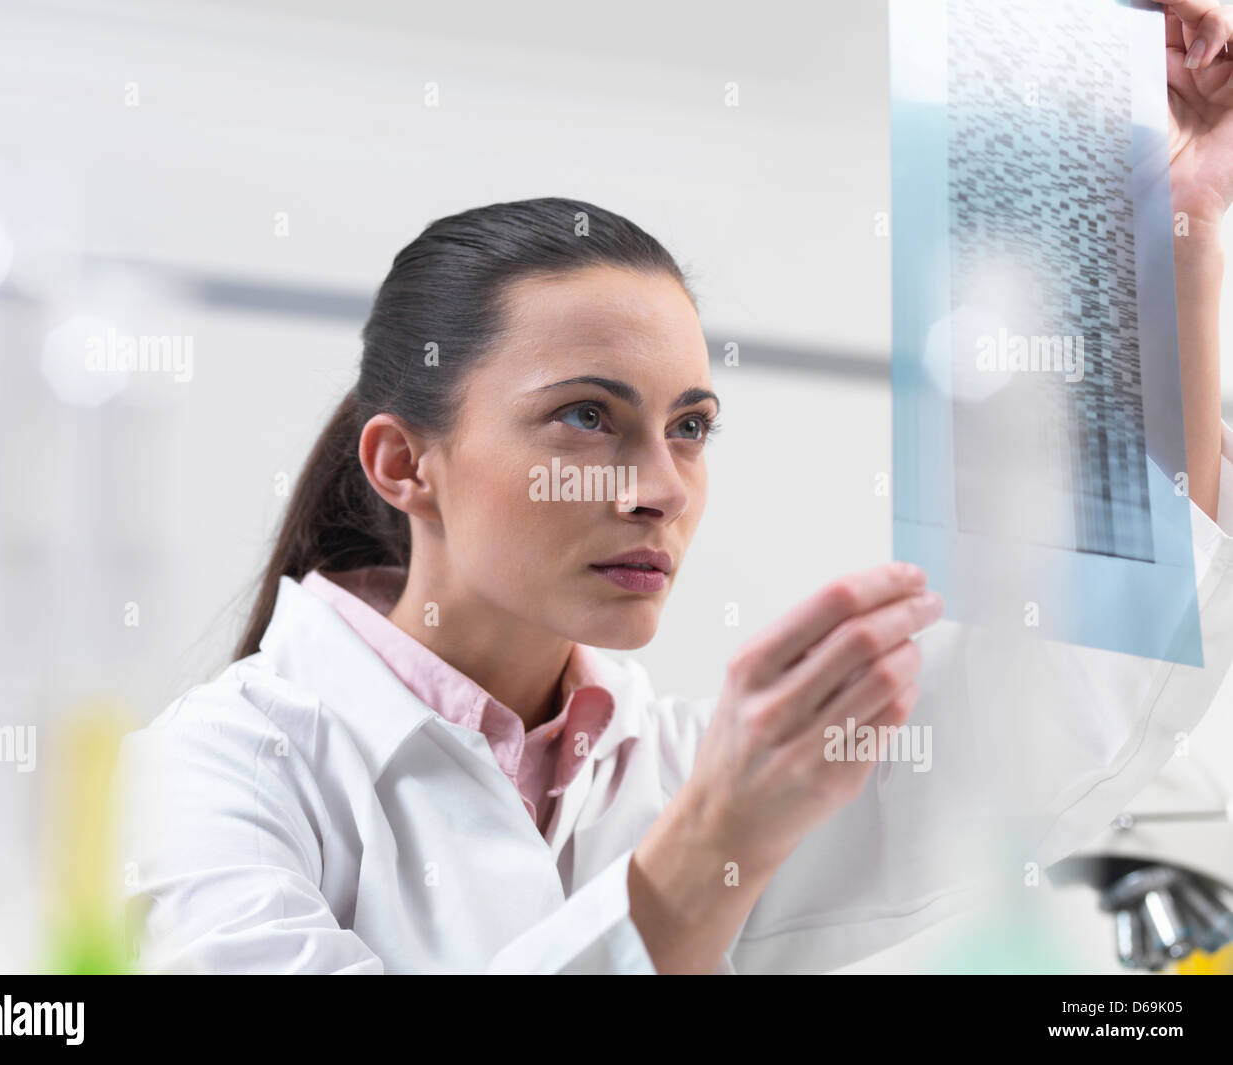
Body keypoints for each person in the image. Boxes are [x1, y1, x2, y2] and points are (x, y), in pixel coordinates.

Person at [116, 1, 1233, 973]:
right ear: (406, 463)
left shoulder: (678, 765)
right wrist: (710, 843)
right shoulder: (207, 775)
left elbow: (1066, 694)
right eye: (586, 417)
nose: (661, 487)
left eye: (690, 427)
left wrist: (1174, 221)